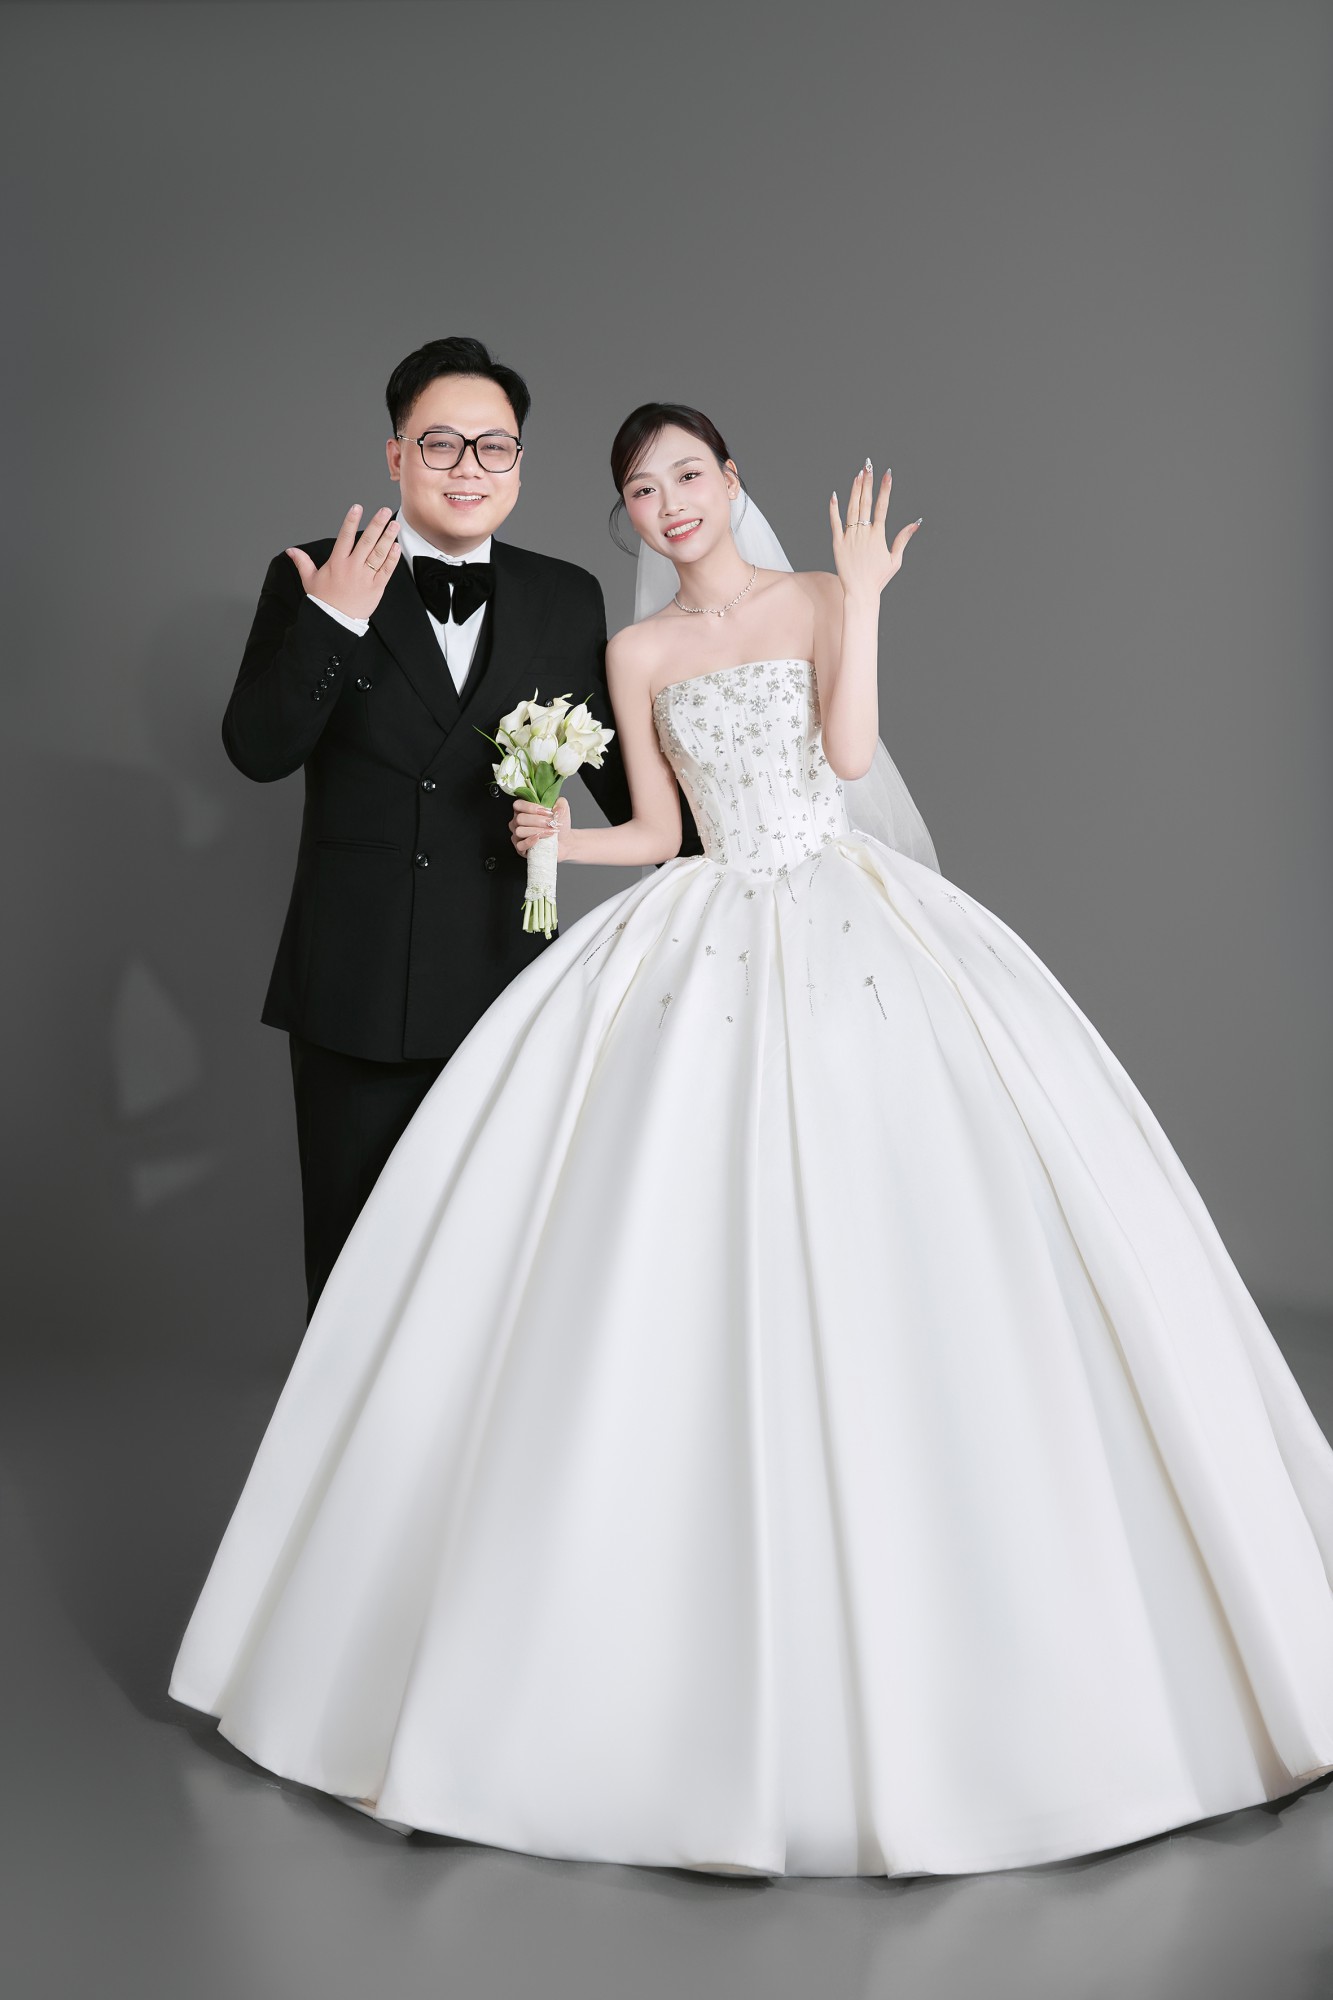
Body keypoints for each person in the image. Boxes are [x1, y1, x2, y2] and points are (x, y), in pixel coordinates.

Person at [171, 403, 1333, 1879]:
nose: (669, 504)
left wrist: (868, 602)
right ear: (624, 515)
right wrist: (554, 837)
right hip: (703, 922)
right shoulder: (634, 649)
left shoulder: (818, 599)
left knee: (912, 1222)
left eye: (688, 477)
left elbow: (846, 754)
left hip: (849, 917)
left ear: (729, 483)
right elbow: (659, 832)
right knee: (661, 1244)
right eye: (641, 489)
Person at [221, 338, 696, 1319]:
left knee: (497, 1286)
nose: (468, 467)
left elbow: (629, 791)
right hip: (355, 990)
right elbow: (256, 750)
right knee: (356, 1281)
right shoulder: (312, 572)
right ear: (397, 455)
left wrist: (759, 821)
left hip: (509, 990)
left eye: (494, 446)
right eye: (442, 445)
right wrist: (334, 621)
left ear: (518, 463)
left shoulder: (565, 594)